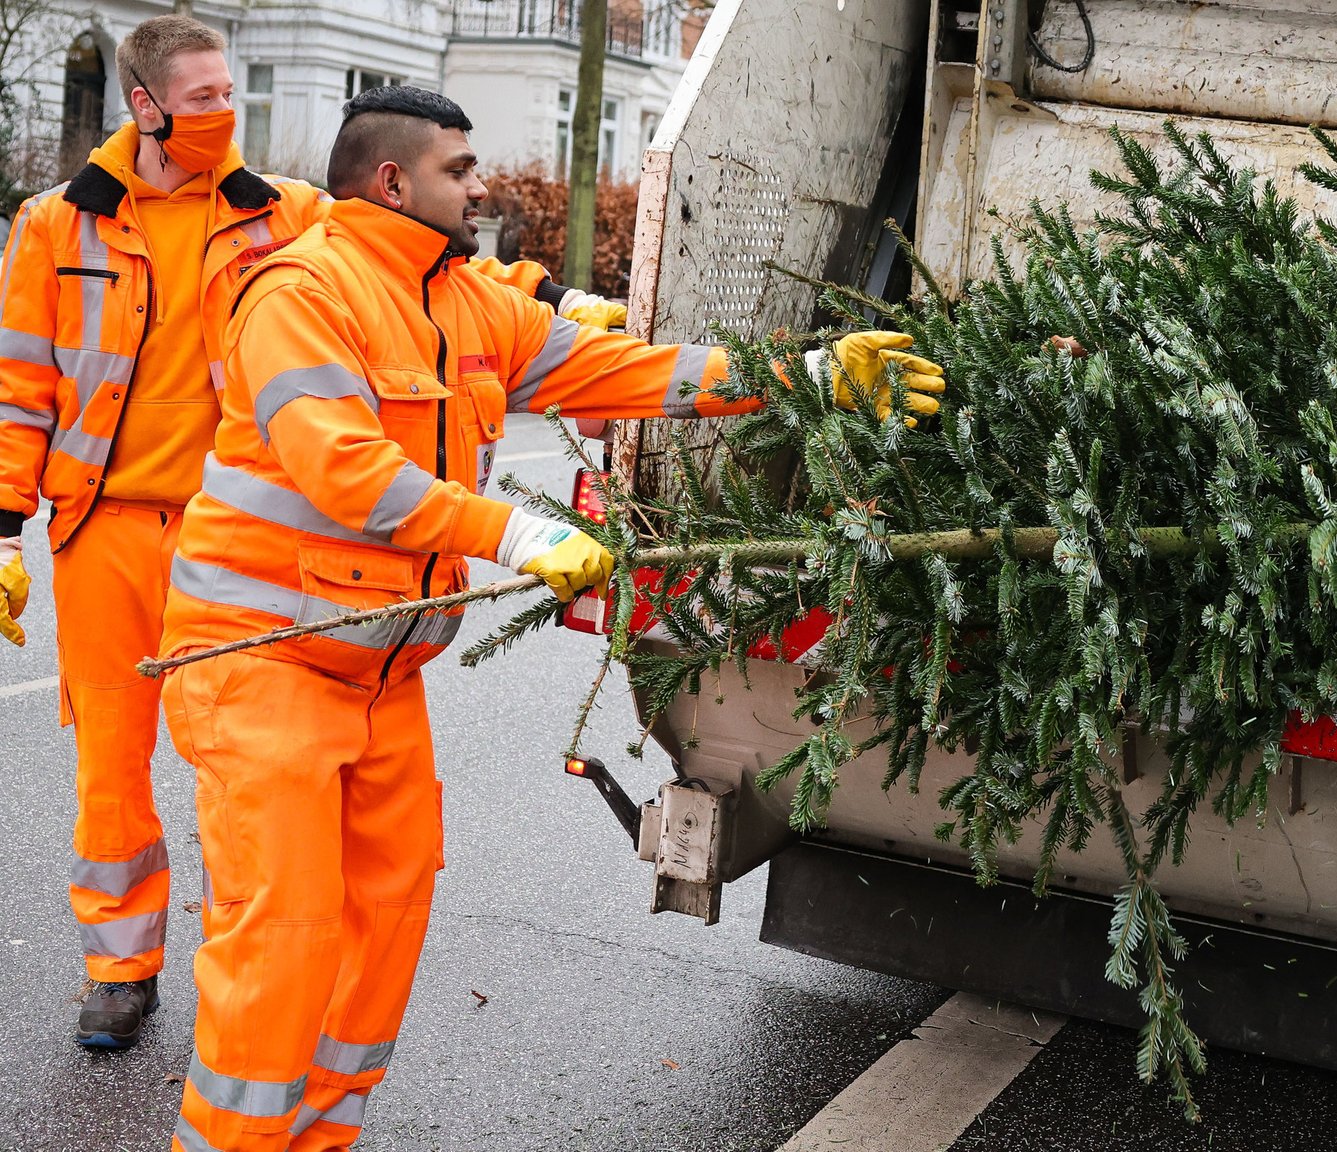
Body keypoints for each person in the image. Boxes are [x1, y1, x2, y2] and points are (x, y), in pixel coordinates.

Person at [157, 84, 943, 1150]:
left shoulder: (466, 299)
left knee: (383, 926)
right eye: (458, 168)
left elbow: (623, 371)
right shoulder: (300, 289)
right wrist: (515, 533)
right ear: (391, 180)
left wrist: (796, 375)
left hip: (380, 676)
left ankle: (318, 1137)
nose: (481, 187)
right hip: (264, 667)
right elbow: (340, 467)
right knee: (283, 936)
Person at [0, 15, 628, 1052]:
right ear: (143, 106)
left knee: (246, 781)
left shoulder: (282, 211)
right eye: (201, 100)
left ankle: (242, 966)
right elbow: (21, 386)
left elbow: (420, 261)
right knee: (112, 762)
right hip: (106, 528)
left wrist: (559, 302)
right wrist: (5, 531)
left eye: (231, 93)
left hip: (235, 540)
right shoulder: (56, 225)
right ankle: (120, 967)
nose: (224, 116)